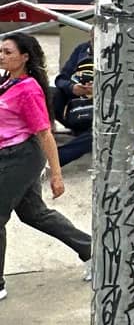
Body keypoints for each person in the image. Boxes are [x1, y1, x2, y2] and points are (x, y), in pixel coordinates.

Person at [0, 31, 91, 302]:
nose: (2, 56)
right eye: (1, 51)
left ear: (25, 57)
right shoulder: (7, 83)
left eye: (8, 52)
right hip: (9, 155)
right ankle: (90, 250)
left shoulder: (28, 89)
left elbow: (44, 133)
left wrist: (57, 174)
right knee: (34, 214)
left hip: (21, 157)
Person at [49, 40, 94, 167]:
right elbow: (61, 79)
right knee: (47, 92)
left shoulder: (117, 53)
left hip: (100, 114)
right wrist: (72, 88)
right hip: (75, 107)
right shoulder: (82, 49)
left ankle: (56, 159)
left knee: (95, 134)